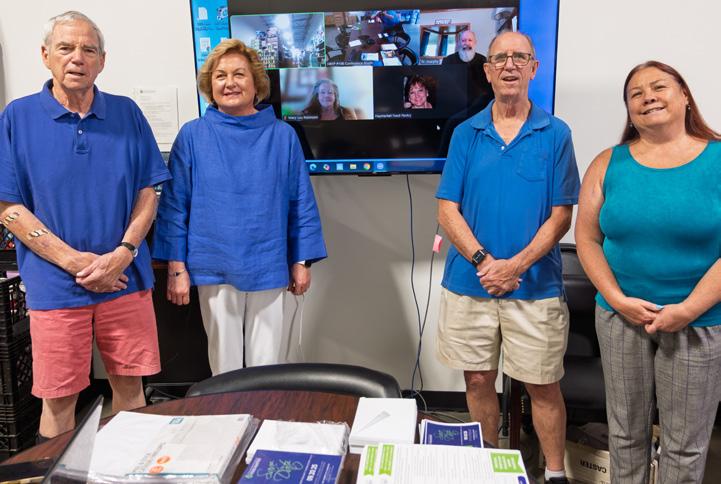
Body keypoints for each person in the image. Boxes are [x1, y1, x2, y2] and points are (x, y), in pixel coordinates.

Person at [0, 11, 170, 439]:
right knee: (59, 399)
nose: (77, 57)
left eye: (88, 49)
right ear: (45, 56)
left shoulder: (127, 113)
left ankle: (129, 466)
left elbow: (149, 191)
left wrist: (123, 254)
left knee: (130, 387)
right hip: (55, 284)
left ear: (102, 61)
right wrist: (74, 261)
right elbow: (8, 207)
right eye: (66, 48)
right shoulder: (17, 117)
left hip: (125, 278)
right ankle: (58, 469)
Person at [435, 31, 579, 484]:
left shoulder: (555, 133)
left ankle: (554, 474)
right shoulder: (466, 133)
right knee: (478, 380)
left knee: (542, 384)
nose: (510, 65)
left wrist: (514, 266)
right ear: (487, 70)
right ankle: (488, 468)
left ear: (534, 68)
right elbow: (447, 209)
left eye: (520, 57)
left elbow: (561, 216)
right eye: (500, 58)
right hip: (470, 282)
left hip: (534, 286)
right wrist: (484, 262)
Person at [575, 61, 721, 484]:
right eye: (635, 93)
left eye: (659, 87)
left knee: (685, 444)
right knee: (625, 435)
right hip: (621, 317)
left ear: (685, 95)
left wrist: (688, 309)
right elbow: (587, 239)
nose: (648, 97)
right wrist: (616, 299)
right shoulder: (608, 163)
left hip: (698, 321)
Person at [152, 39, 326, 376]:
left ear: (256, 83)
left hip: (268, 262)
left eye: (238, 74)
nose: (229, 83)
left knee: (267, 365)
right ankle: (227, 412)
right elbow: (174, 207)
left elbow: (301, 202)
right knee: (225, 368)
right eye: (220, 76)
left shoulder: (282, 136)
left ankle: (264, 411)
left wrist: (301, 261)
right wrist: (176, 269)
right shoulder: (193, 136)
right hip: (213, 264)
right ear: (210, 85)